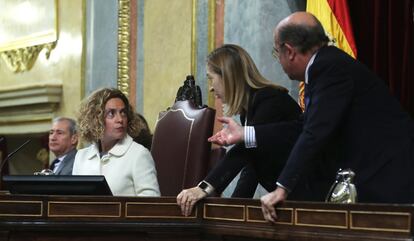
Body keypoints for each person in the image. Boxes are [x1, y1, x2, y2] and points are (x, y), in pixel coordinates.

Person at [209, 12, 414, 223]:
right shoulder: (324, 66)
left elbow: (313, 132)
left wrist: (282, 188)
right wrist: (245, 133)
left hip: (389, 174)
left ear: (289, 51)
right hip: (379, 172)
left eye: (276, 52)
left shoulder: (328, 68)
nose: (278, 59)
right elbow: (301, 127)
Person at [177, 44, 302, 216]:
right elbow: (252, 164)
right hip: (293, 198)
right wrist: (235, 208)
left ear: (228, 77)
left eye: (211, 78)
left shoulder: (269, 100)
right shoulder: (249, 110)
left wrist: (204, 188)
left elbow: (242, 152)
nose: (211, 87)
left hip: (310, 194)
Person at [72, 88, 160, 196]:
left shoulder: (138, 154)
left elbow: (150, 202)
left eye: (123, 113)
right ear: (96, 119)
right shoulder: (81, 156)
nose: (120, 119)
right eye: (111, 114)